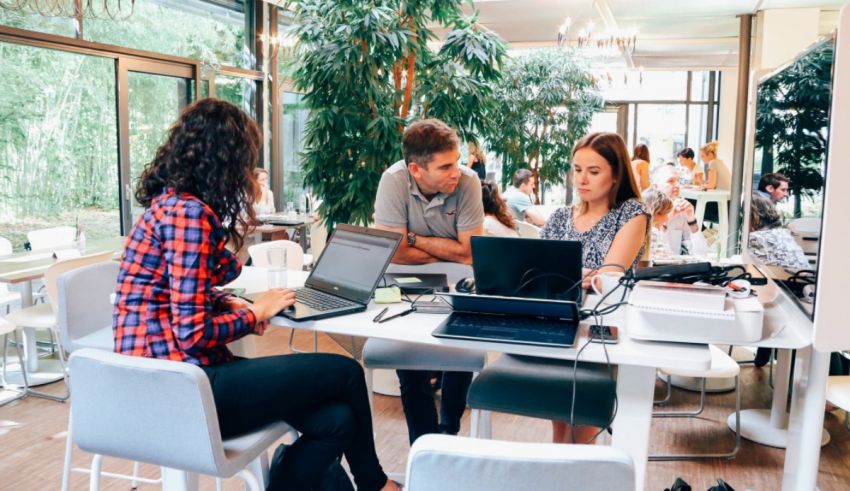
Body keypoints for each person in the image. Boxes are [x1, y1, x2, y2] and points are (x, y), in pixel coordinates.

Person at [113, 99, 398, 491]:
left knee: (337, 421)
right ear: (227, 160)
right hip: (182, 392)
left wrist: (231, 305)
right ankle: (376, 485)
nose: (250, 172)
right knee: (346, 372)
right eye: (248, 160)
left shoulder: (171, 205)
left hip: (164, 384)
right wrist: (253, 312)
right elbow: (191, 334)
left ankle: (296, 479)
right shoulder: (189, 215)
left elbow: (179, 294)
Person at [373, 118, 483, 444]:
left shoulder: (469, 182)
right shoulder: (393, 182)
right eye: (446, 166)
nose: (457, 171)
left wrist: (414, 239)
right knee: (410, 364)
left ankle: (448, 431)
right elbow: (394, 253)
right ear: (416, 170)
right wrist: (449, 252)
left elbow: (471, 254)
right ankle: (424, 444)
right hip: (406, 281)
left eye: (458, 160)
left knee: (461, 354)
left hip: (460, 283)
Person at [540, 131, 649, 443]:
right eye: (577, 169)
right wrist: (584, 273)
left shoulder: (631, 214)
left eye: (594, 171)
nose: (582, 179)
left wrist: (569, 274)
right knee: (560, 426)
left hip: (598, 331)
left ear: (615, 175)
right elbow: (532, 270)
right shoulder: (561, 217)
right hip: (555, 323)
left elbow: (609, 277)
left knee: (580, 423)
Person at [747, 193, 809, 270]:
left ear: (752, 216)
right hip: (801, 279)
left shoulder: (755, 238)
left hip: (784, 280)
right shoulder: (783, 233)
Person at [660, 175, 709, 256]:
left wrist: (692, 220)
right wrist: (668, 218)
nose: (677, 185)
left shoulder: (681, 211)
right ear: (655, 186)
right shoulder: (647, 210)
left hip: (674, 266)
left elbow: (701, 254)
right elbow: (653, 251)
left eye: (678, 181)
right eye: (671, 181)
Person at [642, 189, 675, 260]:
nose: (667, 218)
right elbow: (668, 259)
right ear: (655, 212)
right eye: (665, 213)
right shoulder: (653, 233)